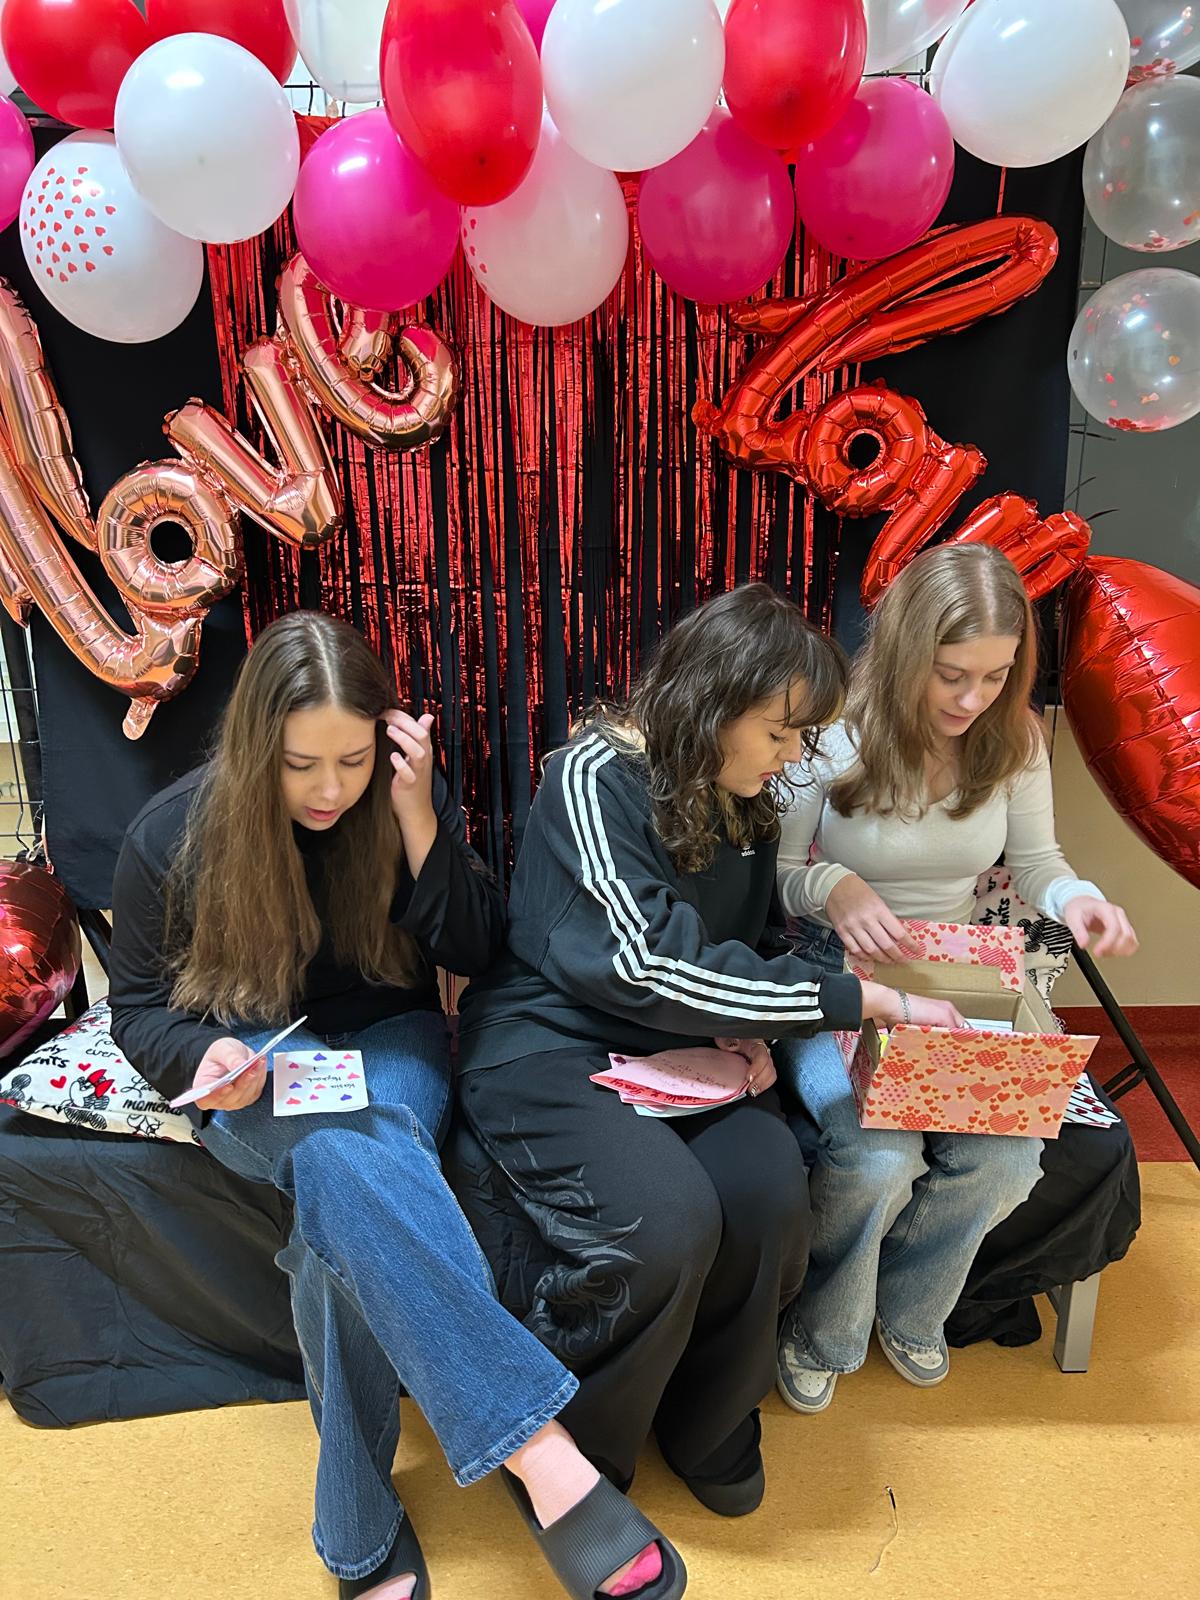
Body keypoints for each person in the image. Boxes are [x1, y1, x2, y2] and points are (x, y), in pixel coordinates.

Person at [107, 612, 687, 1600]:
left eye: (353, 760)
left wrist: (418, 818)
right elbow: (137, 1010)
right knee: (340, 1155)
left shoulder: (400, 791)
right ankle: (542, 1453)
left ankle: (358, 1533)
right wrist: (205, 1051)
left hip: (390, 1039)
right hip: (258, 1058)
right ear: (253, 748)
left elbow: (477, 949)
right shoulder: (171, 834)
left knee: (338, 1183)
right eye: (299, 765)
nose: (330, 790)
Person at [454, 584, 960, 1515]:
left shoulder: (746, 797)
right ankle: (580, 1453)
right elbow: (644, 960)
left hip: (690, 1042)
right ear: (712, 703)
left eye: (801, 736)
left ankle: (710, 1416)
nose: (794, 755)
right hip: (553, 1040)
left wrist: (752, 1024)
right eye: (780, 732)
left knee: (769, 1197)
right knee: (667, 1222)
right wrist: (855, 1000)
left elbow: (741, 942)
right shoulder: (593, 774)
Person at [773, 543, 1138, 1414]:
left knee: (1009, 1157)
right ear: (907, 652)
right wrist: (834, 884)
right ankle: (823, 1329)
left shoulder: (1014, 741)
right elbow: (779, 876)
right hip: (835, 975)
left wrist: (1079, 899)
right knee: (876, 1156)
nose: (972, 700)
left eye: (995, 677)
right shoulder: (831, 733)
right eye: (951, 676)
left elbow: (1040, 862)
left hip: (951, 974)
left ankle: (912, 1309)